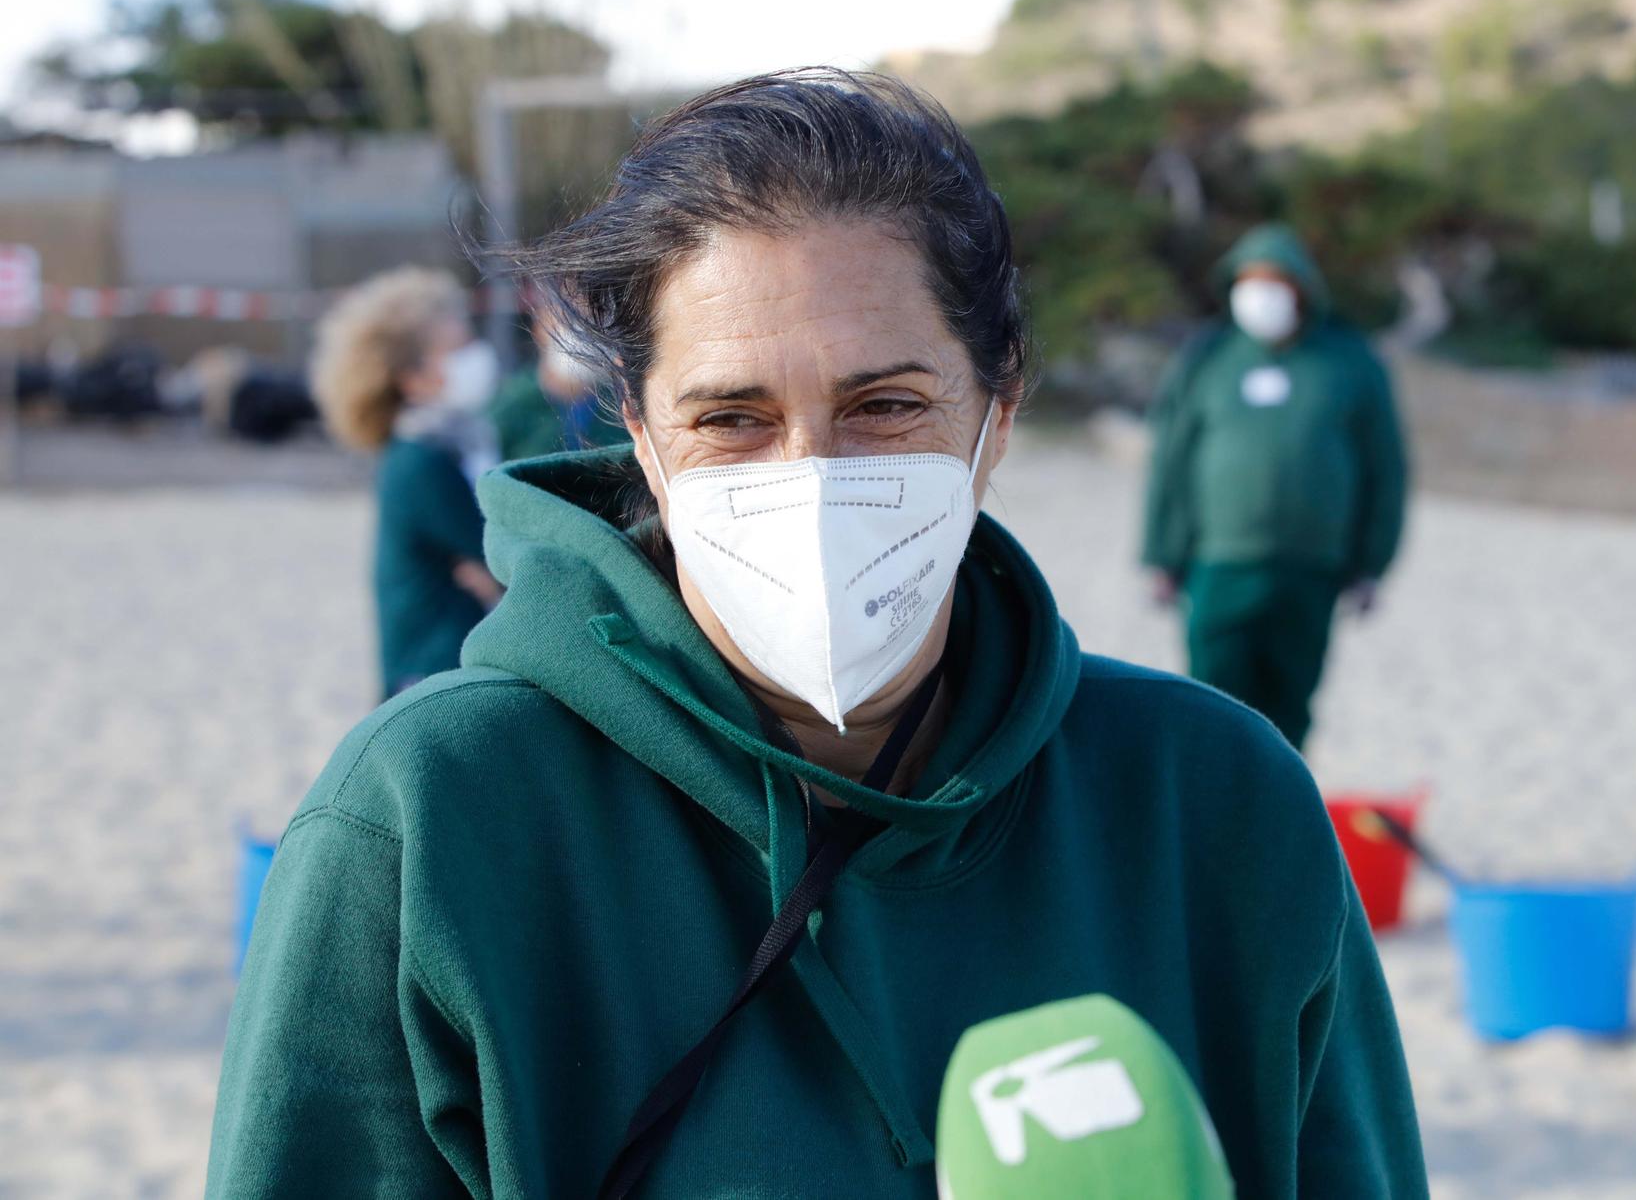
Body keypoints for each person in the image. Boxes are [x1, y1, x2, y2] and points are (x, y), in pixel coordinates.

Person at [208, 72, 1427, 1198]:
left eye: (885, 405)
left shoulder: (1214, 805)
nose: (811, 477)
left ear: (994, 418)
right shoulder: (428, 823)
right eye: (732, 418)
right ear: (641, 438)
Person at [1142, 223, 1408, 750]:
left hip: (1312, 566)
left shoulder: (1350, 362)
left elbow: (1386, 466)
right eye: (1249, 281)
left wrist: (1373, 564)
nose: (1260, 295)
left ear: (1302, 290)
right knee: (1211, 698)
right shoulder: (1208, 360)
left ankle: (1280, 816)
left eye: (1274, 282)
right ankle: (1209, 818)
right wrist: (1162, 555)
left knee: (1290, 701)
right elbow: (1171, 461)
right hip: (1217, 563)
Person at [308, 267, 504, 698]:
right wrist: (490, 574)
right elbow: (499, 554)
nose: (473, 358)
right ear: (411, 378)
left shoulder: (447, 443)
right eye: (455, 350)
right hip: (429, 674)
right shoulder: (419, 462)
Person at [489, 287, 628, 461]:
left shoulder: (621, 406)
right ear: (539, 327)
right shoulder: (513, 403)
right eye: (568, 317)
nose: (579, 330)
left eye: (589, 320)